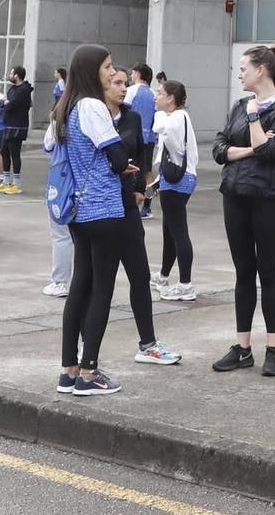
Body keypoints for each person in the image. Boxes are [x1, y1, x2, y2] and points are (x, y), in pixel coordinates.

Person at [210, 45, 275, 377]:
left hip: (269, 198)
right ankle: (242, 347)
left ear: (260, 70)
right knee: (243, 271)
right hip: (235, 195)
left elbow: (269, 152)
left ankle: (273, 348)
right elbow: (219, 149)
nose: (239, 74)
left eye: (243, 68)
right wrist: (250, 147)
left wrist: (253, 118)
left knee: (268, 271)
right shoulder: (238, 105)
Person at [50, 45, 132, 397]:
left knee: (79, 287)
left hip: (77, 209)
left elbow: (51, 146)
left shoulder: (65, 106)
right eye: (107, 67)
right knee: (101, 290)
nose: (112, 73)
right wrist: (121, 161)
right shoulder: (93, 106)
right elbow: (118, 156)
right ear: (91, 70)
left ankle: (69, 370)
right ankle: (89, 372)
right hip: (103, 207)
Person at [103, 64, 179, 366]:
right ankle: (85, 350)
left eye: (125, 82)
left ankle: (148, 344)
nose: (123, 88)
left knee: (140, 274)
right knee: (100, 281)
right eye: (117, 83)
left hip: (126, 205)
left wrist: (138, 189)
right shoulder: (93, 116)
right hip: (99, 209)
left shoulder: (132, 117)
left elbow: (140, 153)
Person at [153, 77, 198, 301]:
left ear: (171, 98)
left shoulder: (176, 117)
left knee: (178, 231)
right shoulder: (180, 116)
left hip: (176, 180)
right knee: (170, 229)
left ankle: (185, 284)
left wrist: (160, 117)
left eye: (160, 93)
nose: (156, 97)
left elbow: (159, 128)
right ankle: (163, 275)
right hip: (180, 177)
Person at [129, 63, 160, 217]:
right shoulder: (154, 94)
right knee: (147, 171)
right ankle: (147, 207)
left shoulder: (130, 91)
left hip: (132, 138)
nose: (131, 75)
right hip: (149, 139)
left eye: (133, 72)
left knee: (129, 170)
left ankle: (131, 205)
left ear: (138, 74)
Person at [0, 65, 33, 193]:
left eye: (11, 73)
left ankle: (16, 183)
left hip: (18, 126)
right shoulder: (13, 88)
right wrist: (4, 102)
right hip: (8, 124)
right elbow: (2, 102)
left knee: (15, 153)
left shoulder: (23, 90)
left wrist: (6, 103)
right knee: (4, 151)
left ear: (17, 75)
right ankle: (6, 181)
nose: (9, 75)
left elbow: (10, 106)